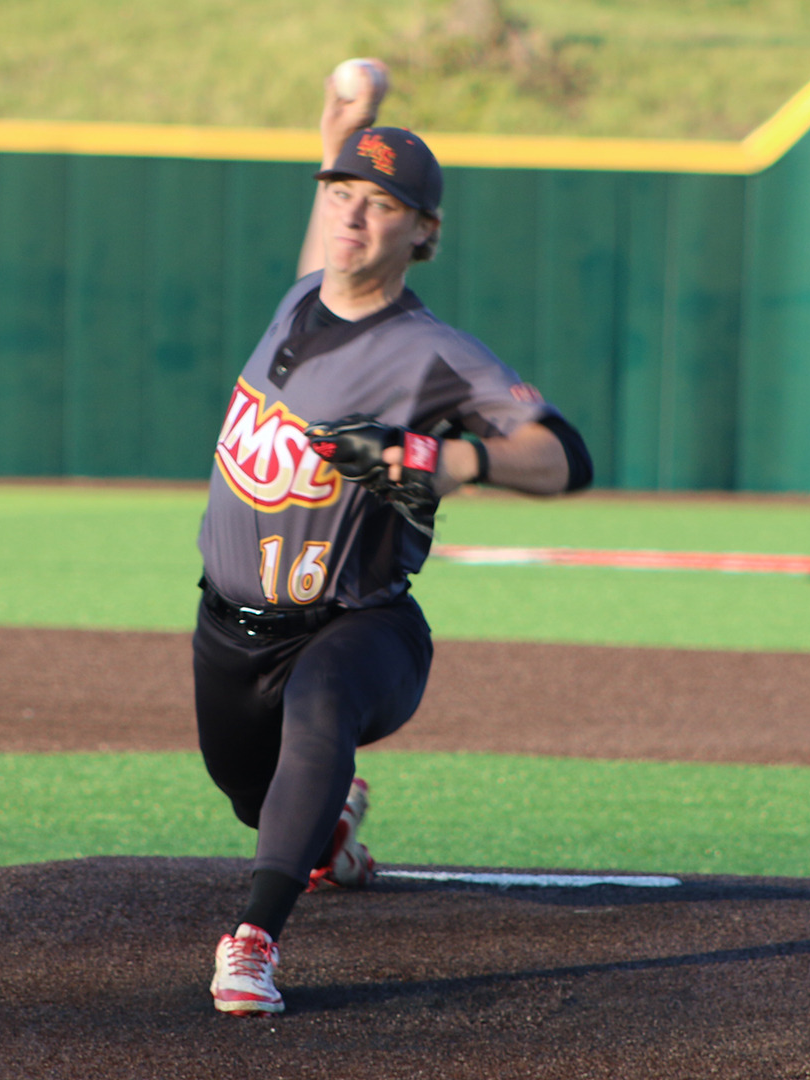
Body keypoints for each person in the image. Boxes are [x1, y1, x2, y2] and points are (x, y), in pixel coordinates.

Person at [195, 67, 594, 1016]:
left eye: (382, 205)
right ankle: (327, 835)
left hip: (360, 625)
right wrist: (343, 126)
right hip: (229, 627)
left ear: (424, 232)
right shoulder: (300, 298)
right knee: (259, 803)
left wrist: (444, 460)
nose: (353, 217)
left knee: (321, 705)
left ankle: (253, 941)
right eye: (342, 195)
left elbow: (565, 456)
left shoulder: (436, 353)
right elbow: (328, 238)